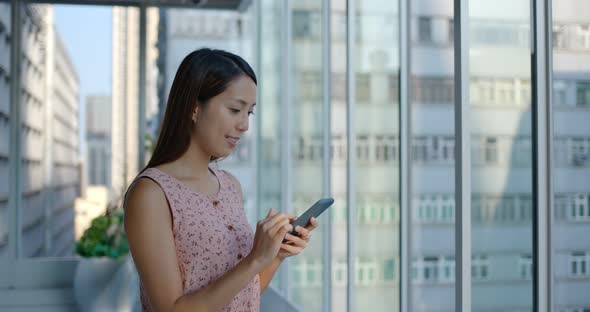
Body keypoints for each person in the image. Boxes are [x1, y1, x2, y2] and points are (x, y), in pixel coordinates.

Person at [124, 48, 317, 312]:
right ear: (194, 108)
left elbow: (242, 295)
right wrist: (255, 258)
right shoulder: (151, 194)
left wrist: (275, 254)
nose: (244, 125)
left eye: (249, 113)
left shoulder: (229, 186)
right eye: (235, 109)